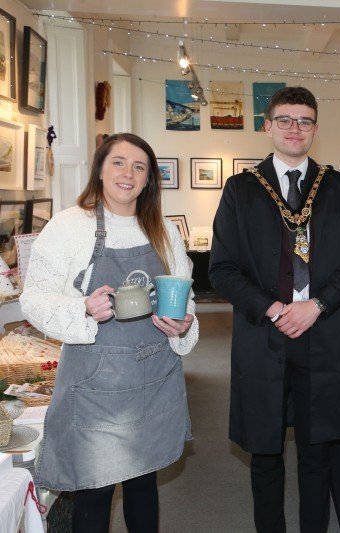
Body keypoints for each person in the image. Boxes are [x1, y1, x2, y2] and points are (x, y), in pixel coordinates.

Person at [208, 86, 340, 532]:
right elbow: (221, 270)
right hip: (265, 337)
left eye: (304, 121)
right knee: (265, 455)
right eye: (285, 120)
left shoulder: (339, 188)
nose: (295, 128)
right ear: (267, 126)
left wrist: (316, 304)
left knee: (318, 457)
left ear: (316, 128)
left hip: (324, 335)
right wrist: (275, 309)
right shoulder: (241, 191)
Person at [20, 133, 198, 532]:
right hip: (96, 383)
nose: (127, 173)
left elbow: (184, 295)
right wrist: (81, 309)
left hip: (154, 377)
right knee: (95, 489)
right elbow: (35, 300)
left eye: (139, 167)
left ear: (149, 178)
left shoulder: (164, 230)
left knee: (143, 481)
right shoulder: (69, 226)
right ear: (99, 169)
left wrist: (184, 324)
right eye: (118, 162)